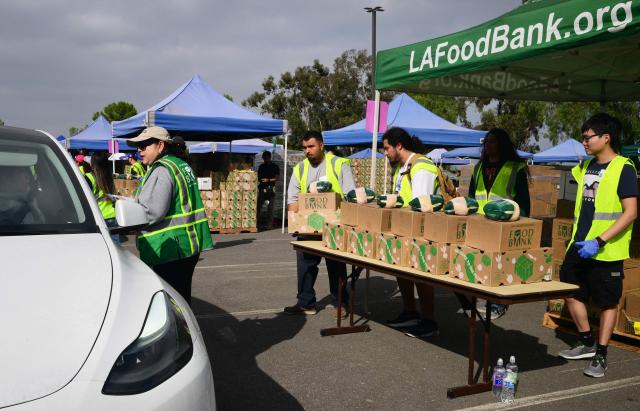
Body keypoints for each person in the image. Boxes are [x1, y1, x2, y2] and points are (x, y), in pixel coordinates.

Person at [557, 113, 637, 378]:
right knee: (569, 289)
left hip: (606, 248)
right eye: (583, 136)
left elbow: (631, 212)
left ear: (606, 137)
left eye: (588, 136)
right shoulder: (586, 167)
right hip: (579, 245)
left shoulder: (623, 167)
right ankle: (587, 341)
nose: (584, 141)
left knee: (607, 303)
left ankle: (601, 355)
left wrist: (599, 240)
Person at [128, 126, 214, 305]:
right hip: (186, 246)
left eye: (144, 146)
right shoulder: (180, 164)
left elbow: (152, 211)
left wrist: (130, 214)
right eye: (138, 147)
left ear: (160, 145)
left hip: (169, 248)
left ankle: (182, 333)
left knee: (172, 304)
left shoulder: (162, 169)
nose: (139, 151)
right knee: (182, 300)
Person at [284, 131, 355, 317]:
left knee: (336, 267)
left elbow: (350, 196)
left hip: (334, 226)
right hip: (308, 227)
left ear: (322, 146)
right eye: (305, 147)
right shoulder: (300, 168)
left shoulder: (339, 164)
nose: (307, 151)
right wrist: (295, 224)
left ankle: (341, 302)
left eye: (311, 146)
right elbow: (292, 198)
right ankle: (305, 303)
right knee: (305, 265)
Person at [382, 127, 441, 337]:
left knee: (421, 276)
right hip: (405, 228)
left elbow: (421, 205)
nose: (385, 153)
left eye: (387, 148)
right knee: (403, 272)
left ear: (399, 146)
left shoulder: (421, 166)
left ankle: (429, 321)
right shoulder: (402, 167)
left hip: (422, 231)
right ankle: (410, 312)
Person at [468, 128, 530, 319]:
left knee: (500, 264)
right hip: (480, 222)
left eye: (493, 141)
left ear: (502, 144)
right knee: (482, 262)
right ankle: (483, 298)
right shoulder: (478, 168)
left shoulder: (515, 167)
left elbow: (524, 202)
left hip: (503, 224)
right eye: (486, 141)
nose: (488, 145)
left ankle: (497, 303)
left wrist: (522, 224)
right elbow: (471, 196)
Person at [85, 153, 118, 242]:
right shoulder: (108, 176)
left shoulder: (89, 177)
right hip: (113, 215)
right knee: (115, 247)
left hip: (99, 216)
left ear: (92, 163)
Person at [257, 150, 280, 230]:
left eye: (266, 158)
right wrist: (260, 179)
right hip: (262, 188)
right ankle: (256, 223)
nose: (265, 160)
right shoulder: (261, 166)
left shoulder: (275, 166)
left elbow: (277, 178)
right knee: (259, 206)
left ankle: (269, 225)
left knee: (270, 207)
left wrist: (268, 180)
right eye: (264, 158)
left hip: (271, 188)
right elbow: (258, 177)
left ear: (269, 157)